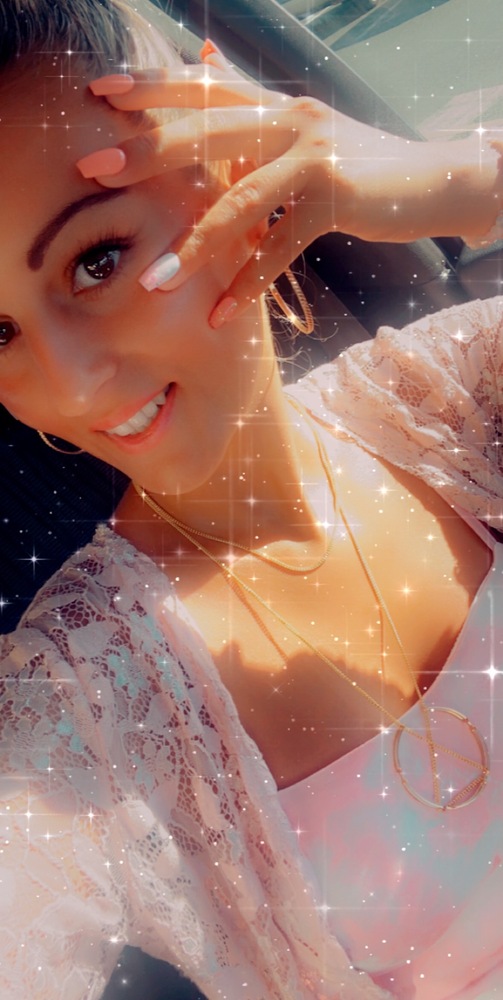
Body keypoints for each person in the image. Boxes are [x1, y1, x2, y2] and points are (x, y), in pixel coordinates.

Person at [0, 1, 502, 998]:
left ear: (226, 158)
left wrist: (464, 180)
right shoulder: (75, 707)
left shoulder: (461, 394)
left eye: (96, 259)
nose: (75, 382)